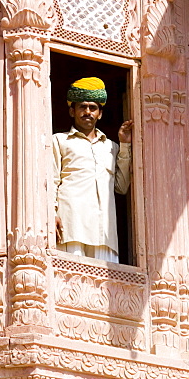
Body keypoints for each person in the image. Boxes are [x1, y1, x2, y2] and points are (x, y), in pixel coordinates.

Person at [52, 77, 133, 263]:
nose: (87, 112)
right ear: (72, 111)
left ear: (100, 114)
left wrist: (125, 144)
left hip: (103, 233)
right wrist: (51, 213)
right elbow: (52, 180)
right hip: (71, 226)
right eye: (82, 107)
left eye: (93, 108)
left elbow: (121, 187)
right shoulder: (59, 141)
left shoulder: (112, 147)